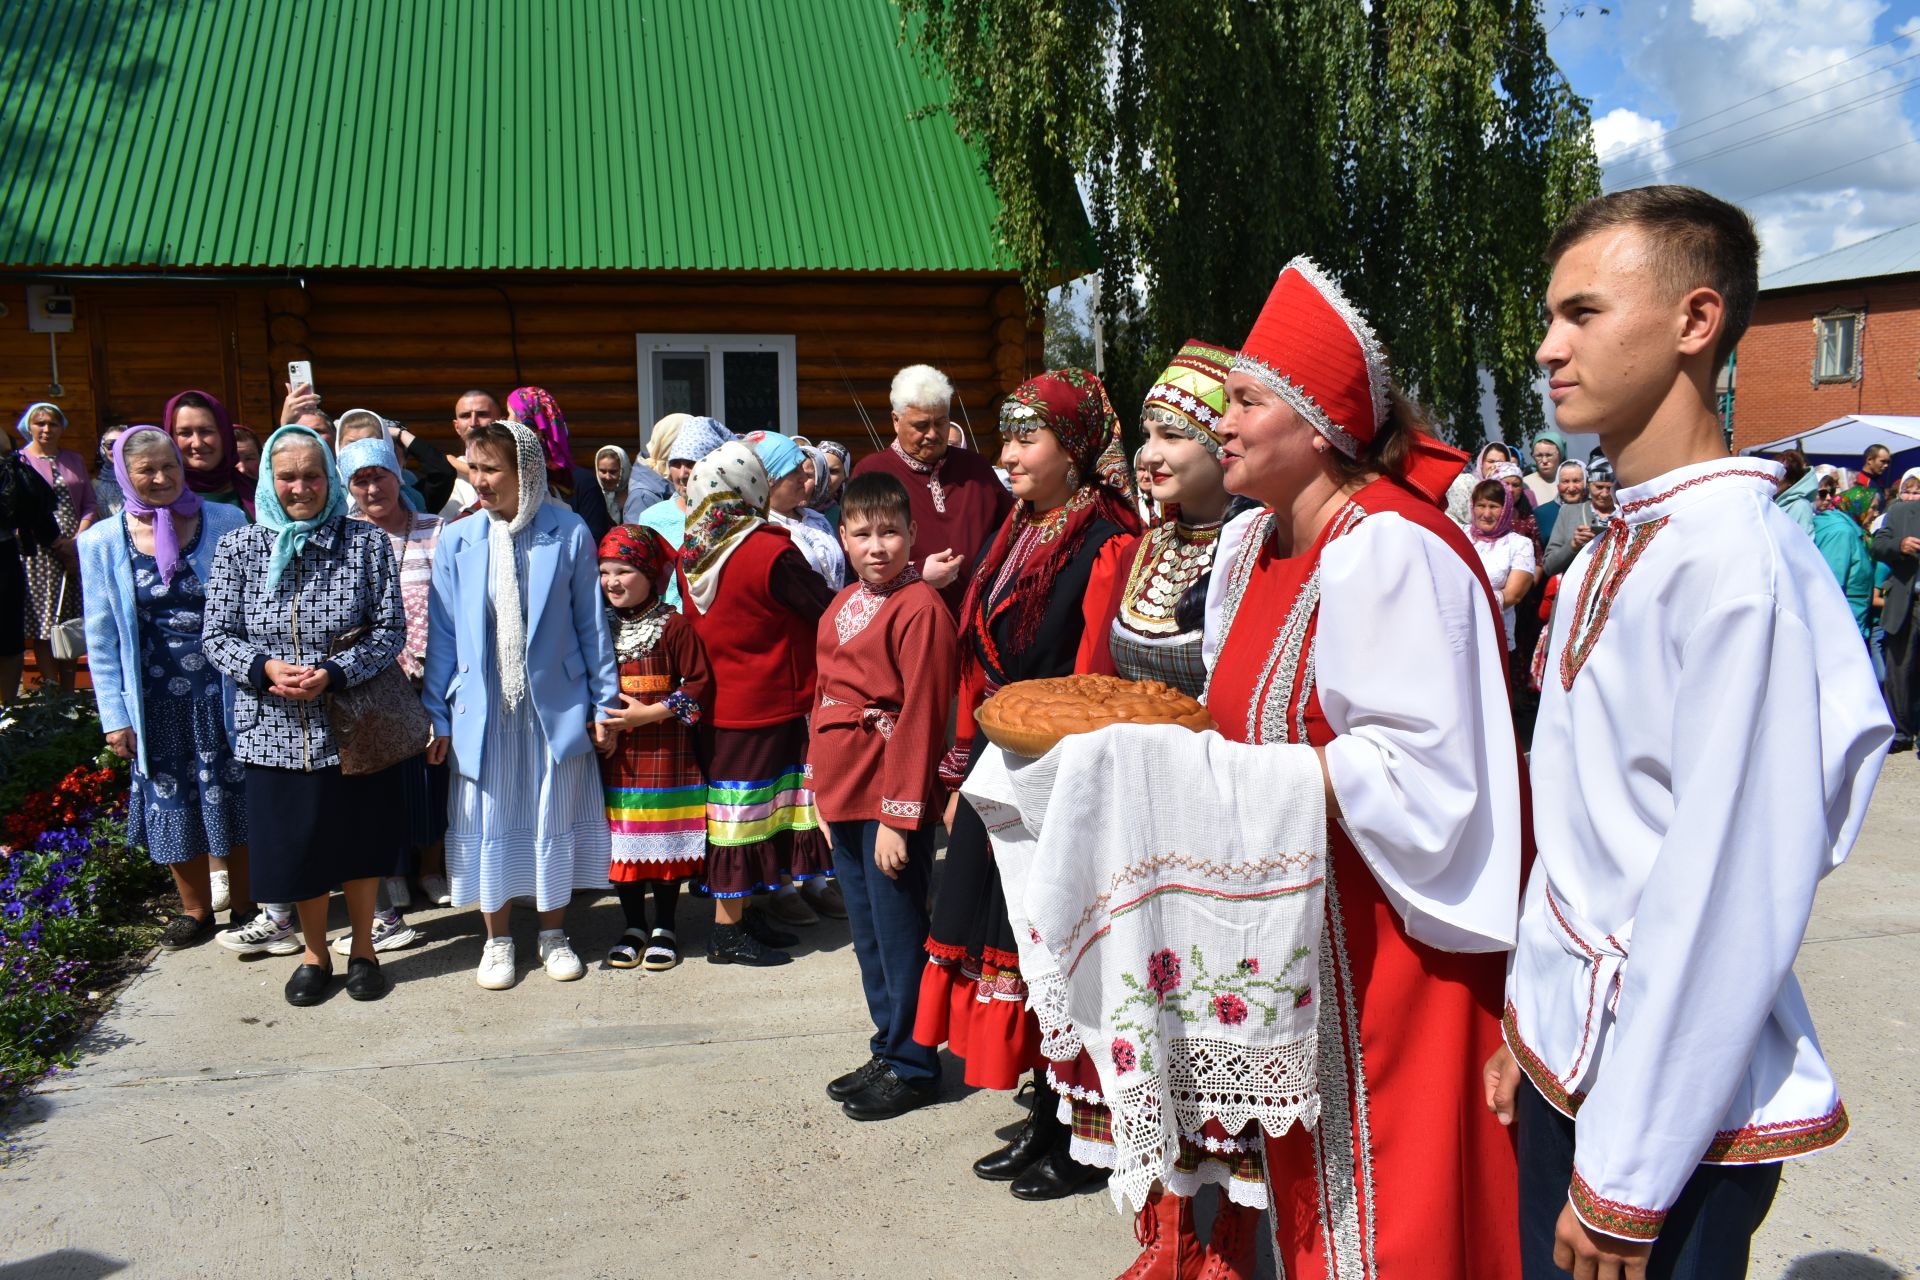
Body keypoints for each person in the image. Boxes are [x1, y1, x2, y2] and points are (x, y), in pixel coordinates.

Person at [1487, 185, 1890, 1280]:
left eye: (1581, 313)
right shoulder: (1628, 539)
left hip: (1671, 1122)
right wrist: (1532, 1024)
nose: (1546, 347)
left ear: (1695, 320)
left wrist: (1630, 1169)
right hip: (1584, 1066)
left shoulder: (1734, 564)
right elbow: (1584, 829)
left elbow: (1725, 888)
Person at [913, 368, 1141, 1200]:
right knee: (1004, 939)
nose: (1006, 453)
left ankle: (1081, 1135)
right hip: (1000, 760)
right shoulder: (1023, 523)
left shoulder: (1105, 540)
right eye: (1005, 436)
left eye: (1025, 437)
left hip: (1057, 774)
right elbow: (981, 647)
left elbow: (1091, 678)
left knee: (1052, 945)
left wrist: (1057, 779)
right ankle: (1047, 1110)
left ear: (1074, 452)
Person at [1070, 340, 1274, 1268]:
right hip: (1140, 825)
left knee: (1216, 1021)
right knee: (1149, 1029)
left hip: (1216, 824)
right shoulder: (1143, 545)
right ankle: (1164, 1227)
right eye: (1145, 434)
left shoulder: (1250, 546)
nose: (1149, 452)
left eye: (1171, 434)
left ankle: (1228, 1234)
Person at [202, 425, 409, 1006]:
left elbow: (390, 630)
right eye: (287, 476)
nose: (301, 487)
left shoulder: (365, 543)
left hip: (355, 724)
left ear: (329, 480)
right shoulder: (239, 549)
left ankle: (364, 949)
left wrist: (336, 671)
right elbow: (217, 636)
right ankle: (317, 955)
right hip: (273, 730)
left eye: (312, 475)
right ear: (268, 478)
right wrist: (264, 668)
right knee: (299, 848)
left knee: (361, 840)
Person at [424, 420, 617, 990]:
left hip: (552, 707)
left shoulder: (569, 531)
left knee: (550, 813)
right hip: (484, 708)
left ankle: (554, 935)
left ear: (525, 472)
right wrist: (436, 713)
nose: (478, 481)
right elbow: (442, 636)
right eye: (473, 467)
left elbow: (592, 627)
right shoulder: (459, 538)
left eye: (491, 470)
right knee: (490, 819)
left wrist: (604, 704)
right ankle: (498, 941)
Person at [811, 472, 958, 1121]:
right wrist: (817, 791)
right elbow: (824, 696)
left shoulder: (920, 607)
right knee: (867, 934)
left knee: (900, 933)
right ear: (843, 537)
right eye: (864, 533)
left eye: (891, 532)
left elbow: (924, 712)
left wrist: (901, 818)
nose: (878, 546)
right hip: (844, 790)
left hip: (886, 795)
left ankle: (916, 1063)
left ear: (912, 535)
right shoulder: (843, 602)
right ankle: (888, 1043)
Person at [80, 426, 256, 949]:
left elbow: (249, 606)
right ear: (124, 476)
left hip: (223, 689)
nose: (161, 478)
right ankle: (196, 910)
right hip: (155, 699)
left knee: (235, 792)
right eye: (146, 470)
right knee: (171, 796)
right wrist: (114, 715)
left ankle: (248, 904)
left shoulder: (225, 520)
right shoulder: (100, 542)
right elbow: (102, 637)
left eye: (170, 467)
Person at [675, 441, 838, 962]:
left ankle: (747, 914)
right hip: (770, 698)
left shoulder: (696, 549)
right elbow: (825, 608)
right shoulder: (769, 549)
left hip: (722, 703)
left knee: (743, 812)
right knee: (746, 815)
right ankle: (726, 932)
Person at [331, 435, 444, 950]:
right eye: (361, 480)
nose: (372, 487)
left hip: (434, 671)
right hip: (372, 680)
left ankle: (433, 868)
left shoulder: (435, 530)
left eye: (380, 475)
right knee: (384, 778)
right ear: (348, 487)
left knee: (434, 775)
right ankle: (392, 872)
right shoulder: (342, 536)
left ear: (399, 477)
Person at [595, 524, 712, 973]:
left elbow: (701, 684)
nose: (613, 582)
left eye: (624, 570)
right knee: (624, 844)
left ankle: (665, 925)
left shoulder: (673, 625)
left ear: (649, 572)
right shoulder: (598, 626)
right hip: (616, 757)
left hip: (667, 754)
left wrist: (650, 714)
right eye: (605, 572)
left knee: (662, 845)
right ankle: (632, 926)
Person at [853, 364, 1015, 618]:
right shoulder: (872, 473)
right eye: (921, 425)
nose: (933, 434)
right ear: (896, 421)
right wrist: (916, 573)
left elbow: (1012, 531)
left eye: (941, 422)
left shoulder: (975, 468)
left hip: (979, 622)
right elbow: (857, 556)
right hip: (908, 622)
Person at [12, 403, 96, 693]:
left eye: (53, 424)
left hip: (75, 548)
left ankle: (70, 693)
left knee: (69, 623)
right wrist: (57, 543)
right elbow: (21, 506)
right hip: (39, 551)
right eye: (41, 424)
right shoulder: (20, 460)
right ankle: (50, 693)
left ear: (62, 428)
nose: (47, 429)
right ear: (29, 427)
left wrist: (76, 540)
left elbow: (88, 504)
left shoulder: (73, 459)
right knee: (45, 624)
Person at [505, 385, 612, 545]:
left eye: (509, 415)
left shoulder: (581, 483)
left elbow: (594, 541)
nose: (505, 421)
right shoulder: (510, 476)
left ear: (532, 429)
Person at [0, 431, 59, 704]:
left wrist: (60, 545)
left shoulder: (8, 465)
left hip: (4, 554)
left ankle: (8, 705)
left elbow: (32, 506)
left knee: (9, 635)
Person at [749, 431, 847, 590]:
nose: (806, 480)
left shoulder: (816, 519)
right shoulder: (762, 528)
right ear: (770, 477)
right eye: (795, 471)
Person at [1463, 478, 1539, 660]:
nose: (1486, 513)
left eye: (1494, 506)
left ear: (1506, 509)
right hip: (1457, 628)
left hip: (1493, 629)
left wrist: (1470, 605)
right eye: (1481, 505)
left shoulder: (1519, 544)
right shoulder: (1459, 534)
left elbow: (1514, 594)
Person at [1872, 476, 1920, 751]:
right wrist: (1899, 545)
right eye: (1910, 491)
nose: (1914, 496)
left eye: (1919, 491)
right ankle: (1901, 732)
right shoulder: (1898, 514)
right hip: (1906, 600)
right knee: (1899, 668)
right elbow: (1877, 546)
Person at [165, 390, 256, 519]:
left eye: (206, 431)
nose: (197, 443)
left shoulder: (258, 492)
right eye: (185, 433)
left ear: (224, 435)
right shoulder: (160, 497)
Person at [1812, 486, 1877, 638]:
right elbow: (1832, 583)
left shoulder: (1850, 530)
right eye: (1872, 508)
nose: (1876, 514)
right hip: (1841, 628)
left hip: (1849, 622)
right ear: (1858, 506)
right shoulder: (1842, 532)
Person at [1542, 459, 1617, 578]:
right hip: (1575, 591)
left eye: (1609, 488)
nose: (1604, 494)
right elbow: (1548, 566)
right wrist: (1573, 545)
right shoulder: (1568, 512)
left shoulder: (1625, 514)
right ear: (1588, 485)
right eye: (1599, 487)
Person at [441, 389, 501, 518]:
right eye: (465, 416)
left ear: (501, 421)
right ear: (456, 426)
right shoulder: (447, 474)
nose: (473, 423)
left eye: (482, 414)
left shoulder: (515, 467)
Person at [594, 444, 670, 525]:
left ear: (623, 470)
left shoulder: (637, 496)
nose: (607, 477)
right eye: (602, 471)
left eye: (613, 472)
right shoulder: (593, 495)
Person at [1534, 459, 1586, 544]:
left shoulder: (1593, 509)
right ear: (1558, 484)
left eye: (1576, 481)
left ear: (1585, 483)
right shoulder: (1541, 513)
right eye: (1565, 481)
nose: (1571, 488)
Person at [1769, 447, 1818, 535]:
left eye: (1779, 474)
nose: (1773, 478)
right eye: (1771, 473)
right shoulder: (1767, 501)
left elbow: (1804, 544)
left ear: (1791, 480)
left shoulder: (1800, 506)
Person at [93, 424, 128, 518]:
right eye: (110, 444)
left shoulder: (141, 478)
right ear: (102, 449)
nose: (116, 449)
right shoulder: (95, 485)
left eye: (122, 443)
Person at [815, 440, 852, 529]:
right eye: (822, 468)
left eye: (833, 471)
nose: (826, 477)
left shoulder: (847, 516)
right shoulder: (794, 510)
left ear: (845, 476)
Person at [1526, 430, 1568, 506]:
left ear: (1560, 455)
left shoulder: (1573, 482)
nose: (1544, 461)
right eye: (1539, 455)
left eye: (1549, 455)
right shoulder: (1525, 484)